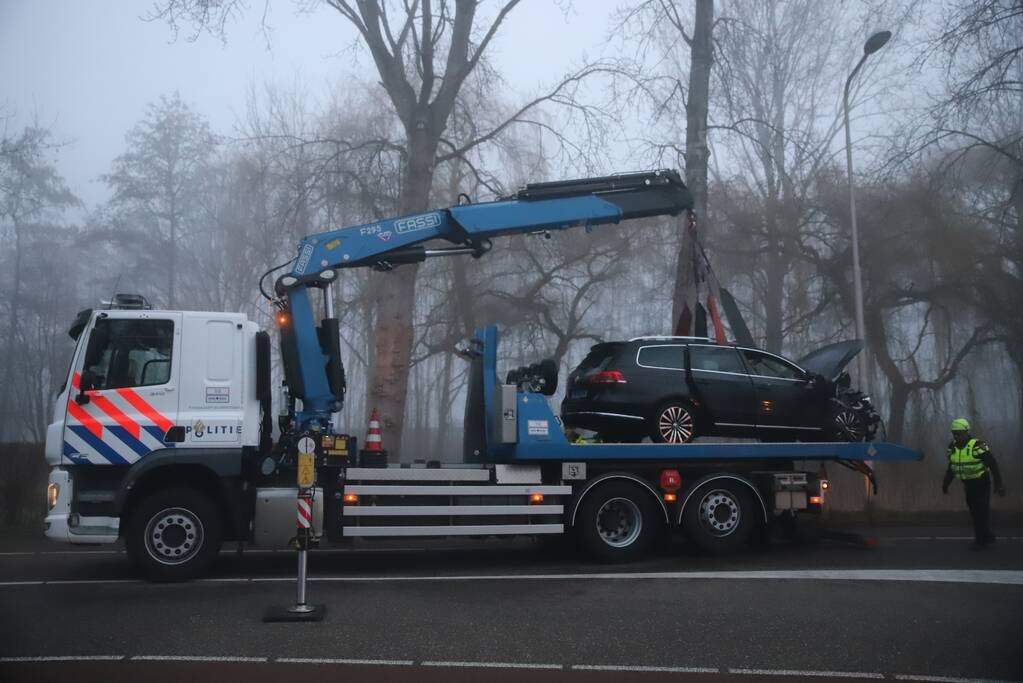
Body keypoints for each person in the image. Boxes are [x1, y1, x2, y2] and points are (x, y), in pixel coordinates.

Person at [942, 418, 1006, 550]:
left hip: (982, 483)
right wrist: (946, 483)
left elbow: (992, 463)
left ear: (966, 432)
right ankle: (987, 535)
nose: (956, 436)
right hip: (968, 485)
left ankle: (980, 542)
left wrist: (998, 484)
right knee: (974, 512)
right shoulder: (952, 447)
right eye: (954, 433)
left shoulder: (977, 445)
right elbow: (952, 466)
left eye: (959, 433)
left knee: (979, 512)